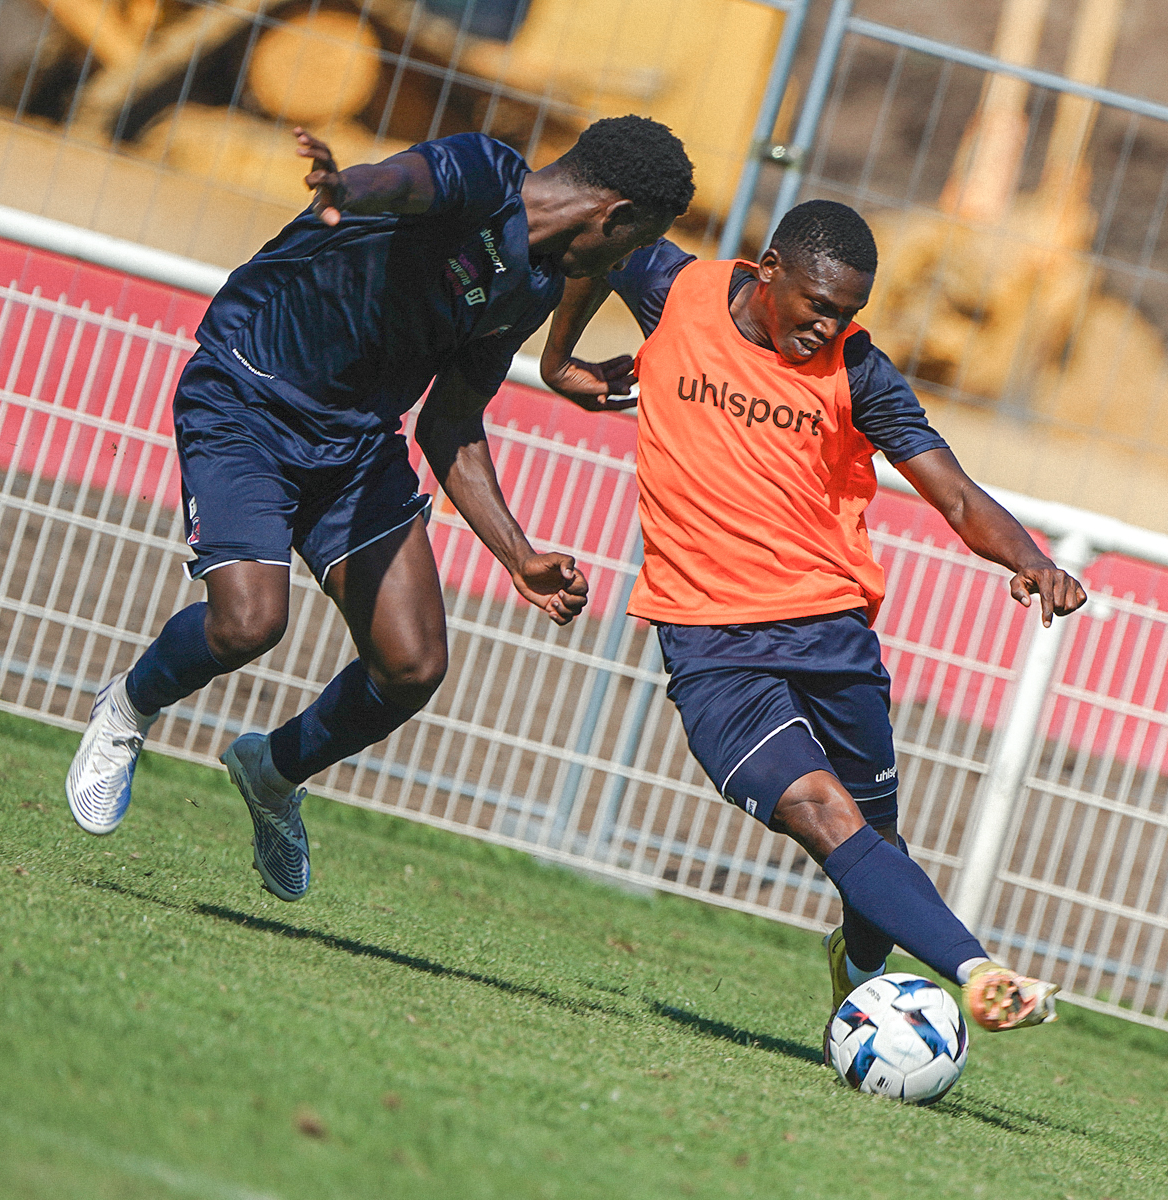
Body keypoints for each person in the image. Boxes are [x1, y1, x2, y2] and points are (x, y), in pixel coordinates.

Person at [66, 117, 696, 905]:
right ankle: (126, 707)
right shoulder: (482, 173)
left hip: (356, 446)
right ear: (615, 218)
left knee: (411, 665)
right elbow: (406, 181)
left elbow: (450, 423)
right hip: (245, 400)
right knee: (249, 622)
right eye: (633, 246)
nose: (621, 267)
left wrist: (518, 555)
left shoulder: (531, 284)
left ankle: (272, 771)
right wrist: (347, 188)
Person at [540, 200, 1087, 1039]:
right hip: (712, 643)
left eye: (849, 313)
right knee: (824, 812)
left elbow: (956, 493)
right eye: (819, 307)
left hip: (829, 628)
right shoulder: (674, 288)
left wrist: (1031, 561)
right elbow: (593, 241)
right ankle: (980, 975)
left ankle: (860, 967)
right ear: (767, 271)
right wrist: (557, 357)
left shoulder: (858, 370)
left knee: (876, 844)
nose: (829, 327)